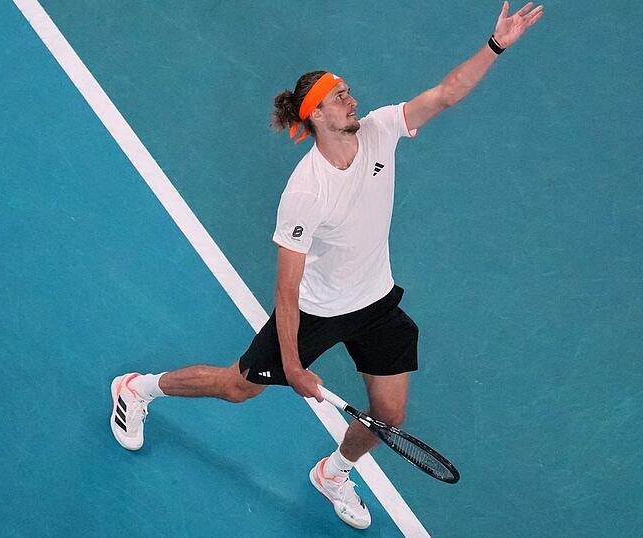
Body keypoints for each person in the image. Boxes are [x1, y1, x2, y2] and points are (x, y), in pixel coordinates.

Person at [109, 2, 543, 530]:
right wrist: (292, 366)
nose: (352, 99)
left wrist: (496, 45)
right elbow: (286, 292)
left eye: (349, 91)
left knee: (390, 416)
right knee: (237, 387)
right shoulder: (305, 191)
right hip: (315, 310)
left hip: (376, 302)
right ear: (316, 114)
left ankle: (333, 472)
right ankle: (138, 388)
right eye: (340, 97)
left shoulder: (381, 129)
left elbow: (446, 93)